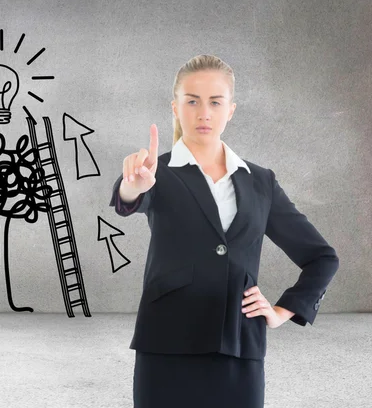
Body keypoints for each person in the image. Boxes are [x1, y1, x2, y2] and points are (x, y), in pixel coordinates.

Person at [109, 54, 339, 408]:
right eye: (192, 101)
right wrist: (132, 185)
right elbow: (129, 200)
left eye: (215, 102)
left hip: (239, 348)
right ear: (175, 107)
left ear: (230, 109)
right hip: (167, 348)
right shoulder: (156, 172)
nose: (204, 113)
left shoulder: (261, 181)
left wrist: (282, 311)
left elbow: (322, 258)